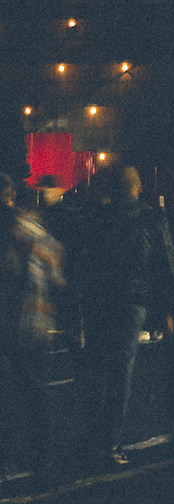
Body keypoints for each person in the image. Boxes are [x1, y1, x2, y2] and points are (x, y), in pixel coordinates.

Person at [75, 164, 174, 468]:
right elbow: (167, 262)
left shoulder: (98, 217)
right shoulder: (151, 216)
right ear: (138, 187)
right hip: (134, 300)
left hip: (99, 300)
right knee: (122, 371)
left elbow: (84, 257)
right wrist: (169, 309)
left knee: (97, 368)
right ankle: (110, 442)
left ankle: (94, 437)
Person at [3, 177, 70, 485]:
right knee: (38, 395)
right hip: (36, 323)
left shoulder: (11, 232)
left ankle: (8, 457)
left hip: (8, 323)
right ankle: (42, 460)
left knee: (9, 391)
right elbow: (58, 281)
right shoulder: (43, 238)